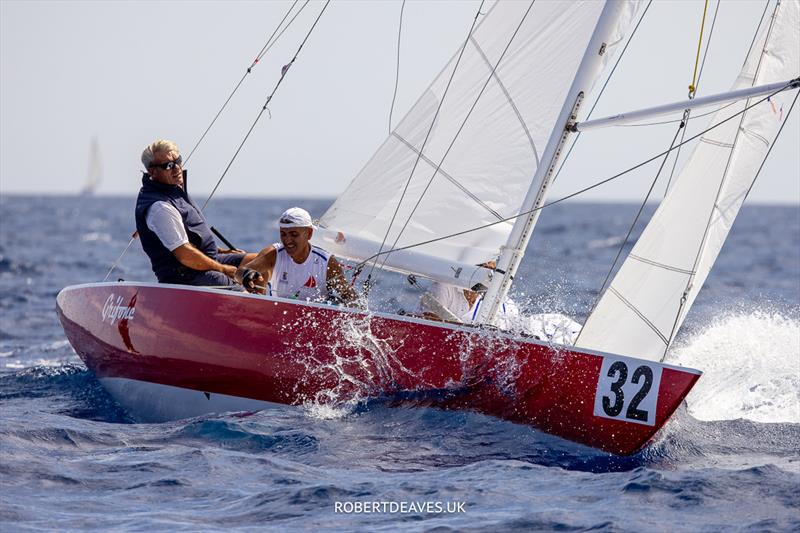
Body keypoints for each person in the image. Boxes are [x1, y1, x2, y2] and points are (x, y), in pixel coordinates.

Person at [134, 139, 255, 286]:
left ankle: (268, 299)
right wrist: (223, 269)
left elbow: (190, 239)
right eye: (168, 165)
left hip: (203, 264)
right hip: (185, 276)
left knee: (261, 259)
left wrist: (222, 252)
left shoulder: (174, 189)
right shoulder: (160, 207)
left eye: (178, 160)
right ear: (152, 171)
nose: (177, 168)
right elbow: (184, 253)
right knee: (238, 285)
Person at [235, 207, 360, 305]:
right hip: (279, 317)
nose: (287, 240)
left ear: (309, 233)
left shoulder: (327, 262)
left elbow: (351, 298)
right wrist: (246, 275)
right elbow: (239, 273)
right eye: (283, 234)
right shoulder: (273, 254)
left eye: (294, 234)